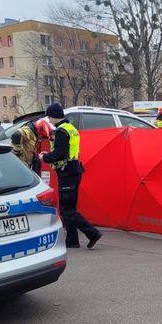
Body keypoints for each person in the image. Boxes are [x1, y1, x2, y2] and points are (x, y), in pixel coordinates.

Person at [39, 103, 102, 249]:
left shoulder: (61, 131)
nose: (48, 120)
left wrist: (45, 157)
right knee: (70, 207)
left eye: (49, 117)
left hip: (67, 171)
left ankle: (92, 233)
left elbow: (59, 153)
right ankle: (72, 240)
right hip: (74, 170)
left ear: (53, 116)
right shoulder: (71, 128)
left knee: (66, 209)